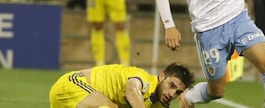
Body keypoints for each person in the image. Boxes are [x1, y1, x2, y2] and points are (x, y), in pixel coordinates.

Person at [49, 62, 195, 108]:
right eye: (171, 85)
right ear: (162, 76)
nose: (172, 94)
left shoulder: (160, 104)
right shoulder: (145, 80)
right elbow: (132, 88)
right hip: (72, 84)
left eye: (177, 92)